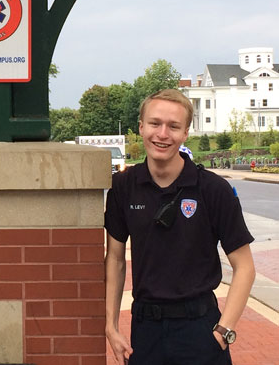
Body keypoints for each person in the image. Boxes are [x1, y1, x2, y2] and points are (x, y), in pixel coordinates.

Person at [105, 89, 255, 365]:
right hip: (145, 330)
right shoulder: (123, 187)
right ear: (141, 127)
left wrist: (224, 331)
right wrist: (111, 326)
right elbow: (115, 259)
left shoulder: (213, 189)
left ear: (186, 133)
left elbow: (244, 266)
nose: (162, 134)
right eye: (155, 123)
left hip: (201, 329)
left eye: (173, 126)